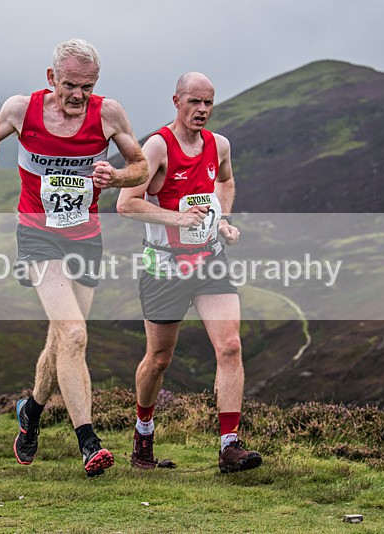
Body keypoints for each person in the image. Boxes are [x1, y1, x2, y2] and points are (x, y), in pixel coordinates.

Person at [0, 38, 147, 477]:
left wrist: (118, 175)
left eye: (87, 86)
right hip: (37, 238)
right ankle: (89, 442)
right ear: (52, 79)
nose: (78, 95)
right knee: (73, 336)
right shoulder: (21, 110)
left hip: (86, 239)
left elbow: (141, 165)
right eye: (70, 85)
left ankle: (30, 412)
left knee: (61, 340)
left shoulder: (108, 114)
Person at [117, 72, 263, 473]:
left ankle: (229, 446)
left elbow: (226, 183)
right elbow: (127, 203)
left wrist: (225, 221)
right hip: (163, 266)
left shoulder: (220, 145)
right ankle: (143, 433)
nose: (201, 110)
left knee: (230, 346)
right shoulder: (158, 146)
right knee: (159, 359)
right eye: (194, 102)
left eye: (208, 103)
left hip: (209, 260)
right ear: (177, 101)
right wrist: (176, 218)